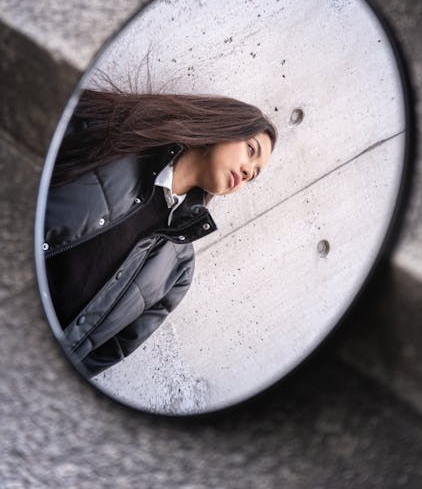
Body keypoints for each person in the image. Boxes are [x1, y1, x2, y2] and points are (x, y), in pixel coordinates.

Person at [43, 88, 277, 377]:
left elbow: (110, 350)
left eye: (252, 175)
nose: (246, 173)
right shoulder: (116, 140)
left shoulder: (178, 269)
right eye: (251, 151)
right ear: (224, 127)